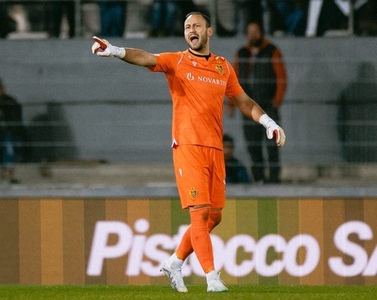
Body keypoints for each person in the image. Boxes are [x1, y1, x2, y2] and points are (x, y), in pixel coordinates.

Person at [91, 12, 286, 292]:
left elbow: (243, 100)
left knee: (215, 215)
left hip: (215, 149)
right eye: (186, 27)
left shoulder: (223, 67)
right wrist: (116, 51)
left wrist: (268, 121)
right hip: (188, 146)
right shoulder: (177, 61)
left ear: (209, 31)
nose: (190, 30)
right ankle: (212, 278)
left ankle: (174, 262)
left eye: (196, 26)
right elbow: (146, 57)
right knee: (200, 214)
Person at [231, 21, 287, 184]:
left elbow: (281, 78)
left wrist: (276, 102)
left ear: (261, 32)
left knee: (272, 145)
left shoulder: (272, 51)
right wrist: (232, 103)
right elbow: (233, 79)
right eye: (250, 31)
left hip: (268, 106)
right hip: (248, 107)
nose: (253, 34)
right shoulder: (241, 53)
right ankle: (259, 178)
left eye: (255, 31)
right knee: (253, 145)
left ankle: (274, 179)